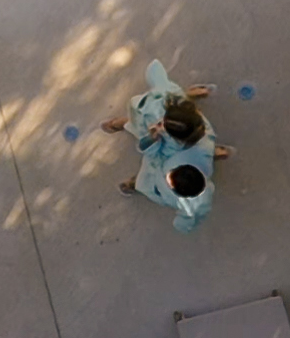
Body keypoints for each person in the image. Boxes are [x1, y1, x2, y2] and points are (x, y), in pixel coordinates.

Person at [94, 59, 231, 231]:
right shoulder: (191, 149)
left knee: (146, 172)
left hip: (185, 139)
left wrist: (151, 139)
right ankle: (216, 151)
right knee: (204, 151)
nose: (159, 124)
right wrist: (182, 225)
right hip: (202, 150)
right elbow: (192, 214)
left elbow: (152, 154)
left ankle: (134, 178)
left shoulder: (170, 150)